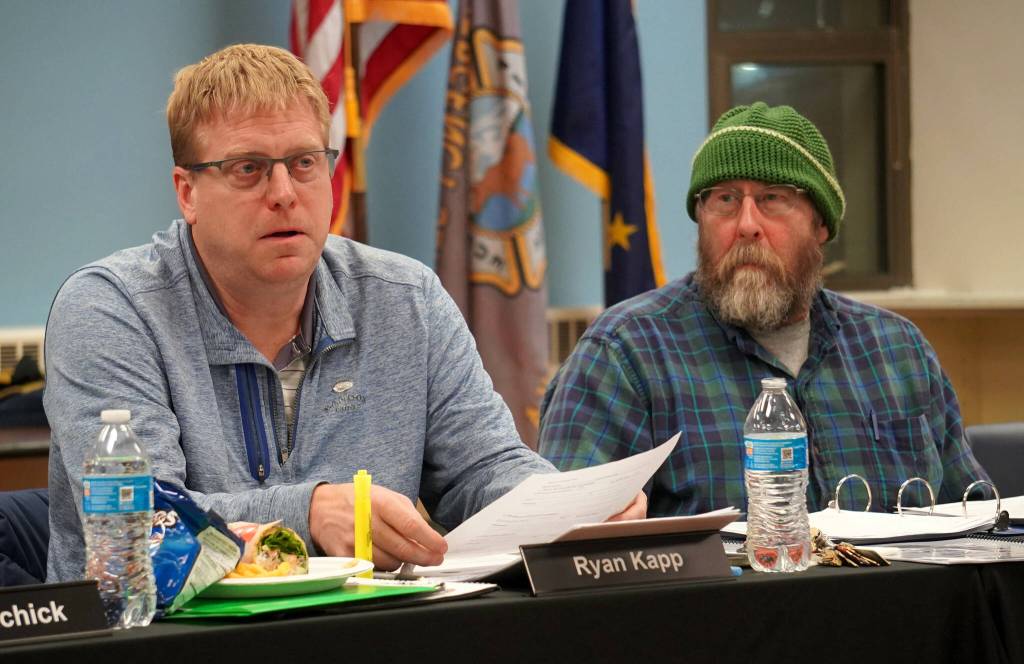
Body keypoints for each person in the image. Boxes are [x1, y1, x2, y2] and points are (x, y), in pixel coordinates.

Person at [43, 44, 643, 583]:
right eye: (248, 168)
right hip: (165, 647)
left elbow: (484, 467)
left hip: (364, 641)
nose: (284, 193)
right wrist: (308, 512)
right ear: (187, 192)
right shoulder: (109, 309)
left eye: (305, 162)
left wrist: (569, 510)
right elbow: (143, 525)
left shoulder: (405, 299)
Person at [539, 102, 989, 517]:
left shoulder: (897, 351)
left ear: (820, 224)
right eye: (725, 199)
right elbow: (561, 542)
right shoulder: (626, 352)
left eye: (774, 198)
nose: (747, 224)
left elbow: (980, 521)